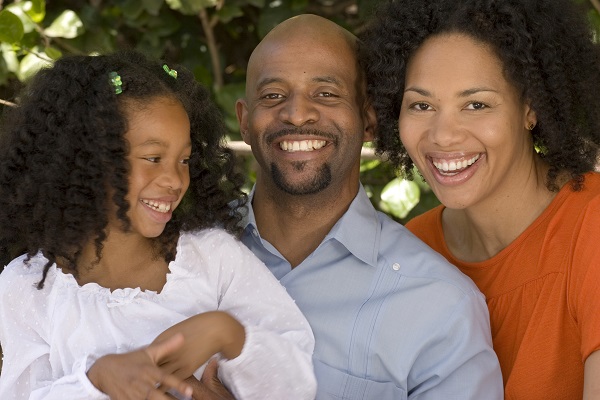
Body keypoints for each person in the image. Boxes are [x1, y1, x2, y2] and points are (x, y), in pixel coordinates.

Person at [0, 50, 316, 400]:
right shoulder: (27, 287)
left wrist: (225, 332)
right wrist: (95, 380)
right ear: (87, 157)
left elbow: (296, 380)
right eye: (153, 158)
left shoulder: (212, 257)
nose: (174, 179)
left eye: (184, 159)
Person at [235, 13, 503, 399]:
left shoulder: (440, 307)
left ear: (370, 118)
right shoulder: (173, 249)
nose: (296, 113)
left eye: (326, 94)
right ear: (245, 121)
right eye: (273, 95)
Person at [360, 0, 600, 398]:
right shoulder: (414, 249)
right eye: (421, 105)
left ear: (530, 108)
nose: (443, 135)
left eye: (476, 104)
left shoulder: (591, 226)